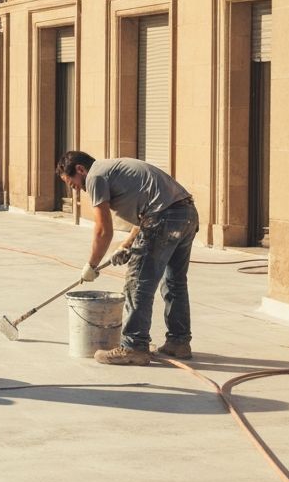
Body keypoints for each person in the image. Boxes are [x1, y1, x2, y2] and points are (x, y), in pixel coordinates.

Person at [56, 151, 200, 366]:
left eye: (73, 183)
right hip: (185, 214)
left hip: (164, 218)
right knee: (174, 282)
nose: (75, 189)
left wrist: (92, 265)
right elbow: (149, 210)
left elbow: (103, 230)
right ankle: (178, 342)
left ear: (79, 169)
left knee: (137, 282)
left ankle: (134, 347)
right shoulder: (115, 169)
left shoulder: (95, 176)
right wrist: (126, 245)